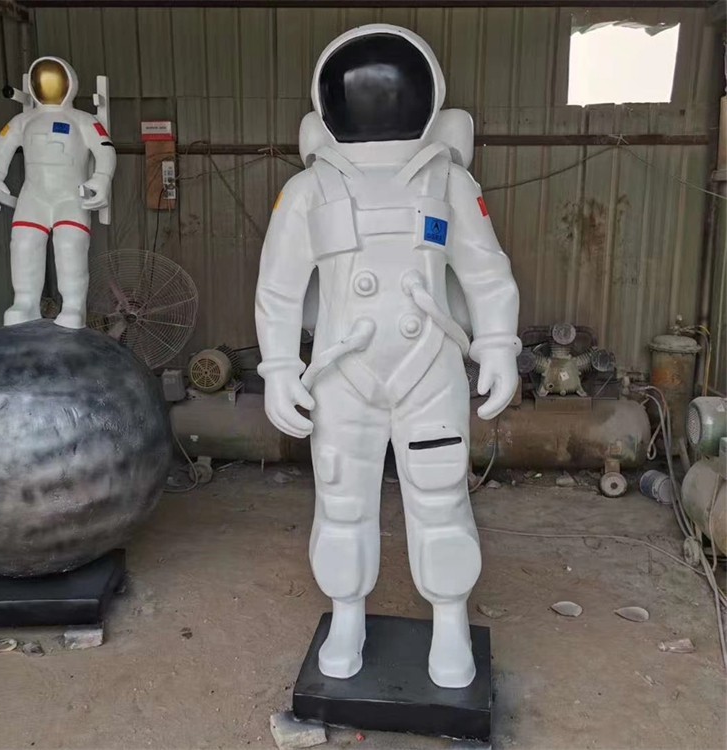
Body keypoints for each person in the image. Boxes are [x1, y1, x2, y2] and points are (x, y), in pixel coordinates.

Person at [255, 24, 520, 688]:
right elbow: (279, 288)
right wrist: (279, 367)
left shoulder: (449, 182)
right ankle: (347, 616)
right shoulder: (309, 190)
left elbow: (486, 272)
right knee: (341, 501)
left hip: (429, 367)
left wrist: (498, 344)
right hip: (343, 373)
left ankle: (451, 621)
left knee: (441, 496)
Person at [0, 56, 116, 329]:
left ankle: (74, 305)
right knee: (23, 244)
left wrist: (101, 179)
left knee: (69, 246)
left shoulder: (83, 120)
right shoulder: (22, 120)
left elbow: (105, 149)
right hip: (33, 197)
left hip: (71, 197)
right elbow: (2, 145)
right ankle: (25, 302)